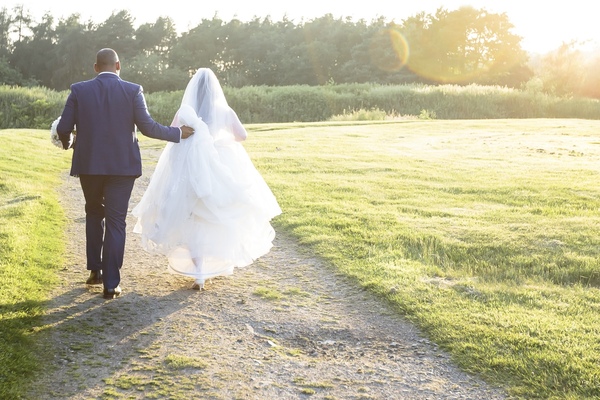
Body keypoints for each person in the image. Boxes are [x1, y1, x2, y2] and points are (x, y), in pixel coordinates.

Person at [55, 48, 195, 299]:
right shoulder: (133, 90)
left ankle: (95, 272)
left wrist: (68, 143)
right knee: (116, 221)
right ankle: (111, 284)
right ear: (118, 66)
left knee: (93, 212)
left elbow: (64, 127)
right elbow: (148, 128)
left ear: (96, 67)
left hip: (89, 167)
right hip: (122, 168)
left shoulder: (78, 90)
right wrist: (177, 134)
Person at [132, 68, 281, 290]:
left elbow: (173, 133)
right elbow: (242, 136)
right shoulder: (224, 110)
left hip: (192, 168)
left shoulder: (185, 113)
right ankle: (209, 267)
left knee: (193, 217)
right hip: (218, 167)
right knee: (214, 215)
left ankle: (199, 272)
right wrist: (220, 140)